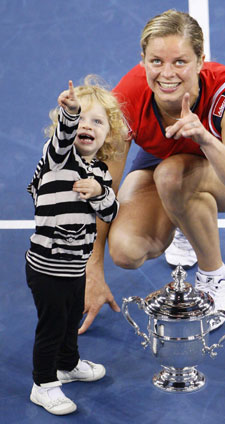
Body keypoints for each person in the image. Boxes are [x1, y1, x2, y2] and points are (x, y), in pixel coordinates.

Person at [79, 9, 225, 335]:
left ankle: (215, 276)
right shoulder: (128, 97)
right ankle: (186, 217)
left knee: (173, 176)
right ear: (142, 60)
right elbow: (104, 185)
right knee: (127, 250)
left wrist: (203, 137)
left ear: (201, 61)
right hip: (166, 151)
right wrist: (93, 271)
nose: (167, 73)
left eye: (180, 62)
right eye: (156, 61)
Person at [25, 76, 127, 415]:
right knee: (52, 326)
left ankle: (68, 364)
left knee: (70, 320)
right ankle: (44, 384)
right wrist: (70, 113)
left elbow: (111, 210)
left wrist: (100, 193)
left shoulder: (99, 171)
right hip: (47, 265)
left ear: (107, 135)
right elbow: (63, 137)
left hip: (75, 265)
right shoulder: (56, 158)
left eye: (96, 121)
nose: (86, 125)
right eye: (79, 118)